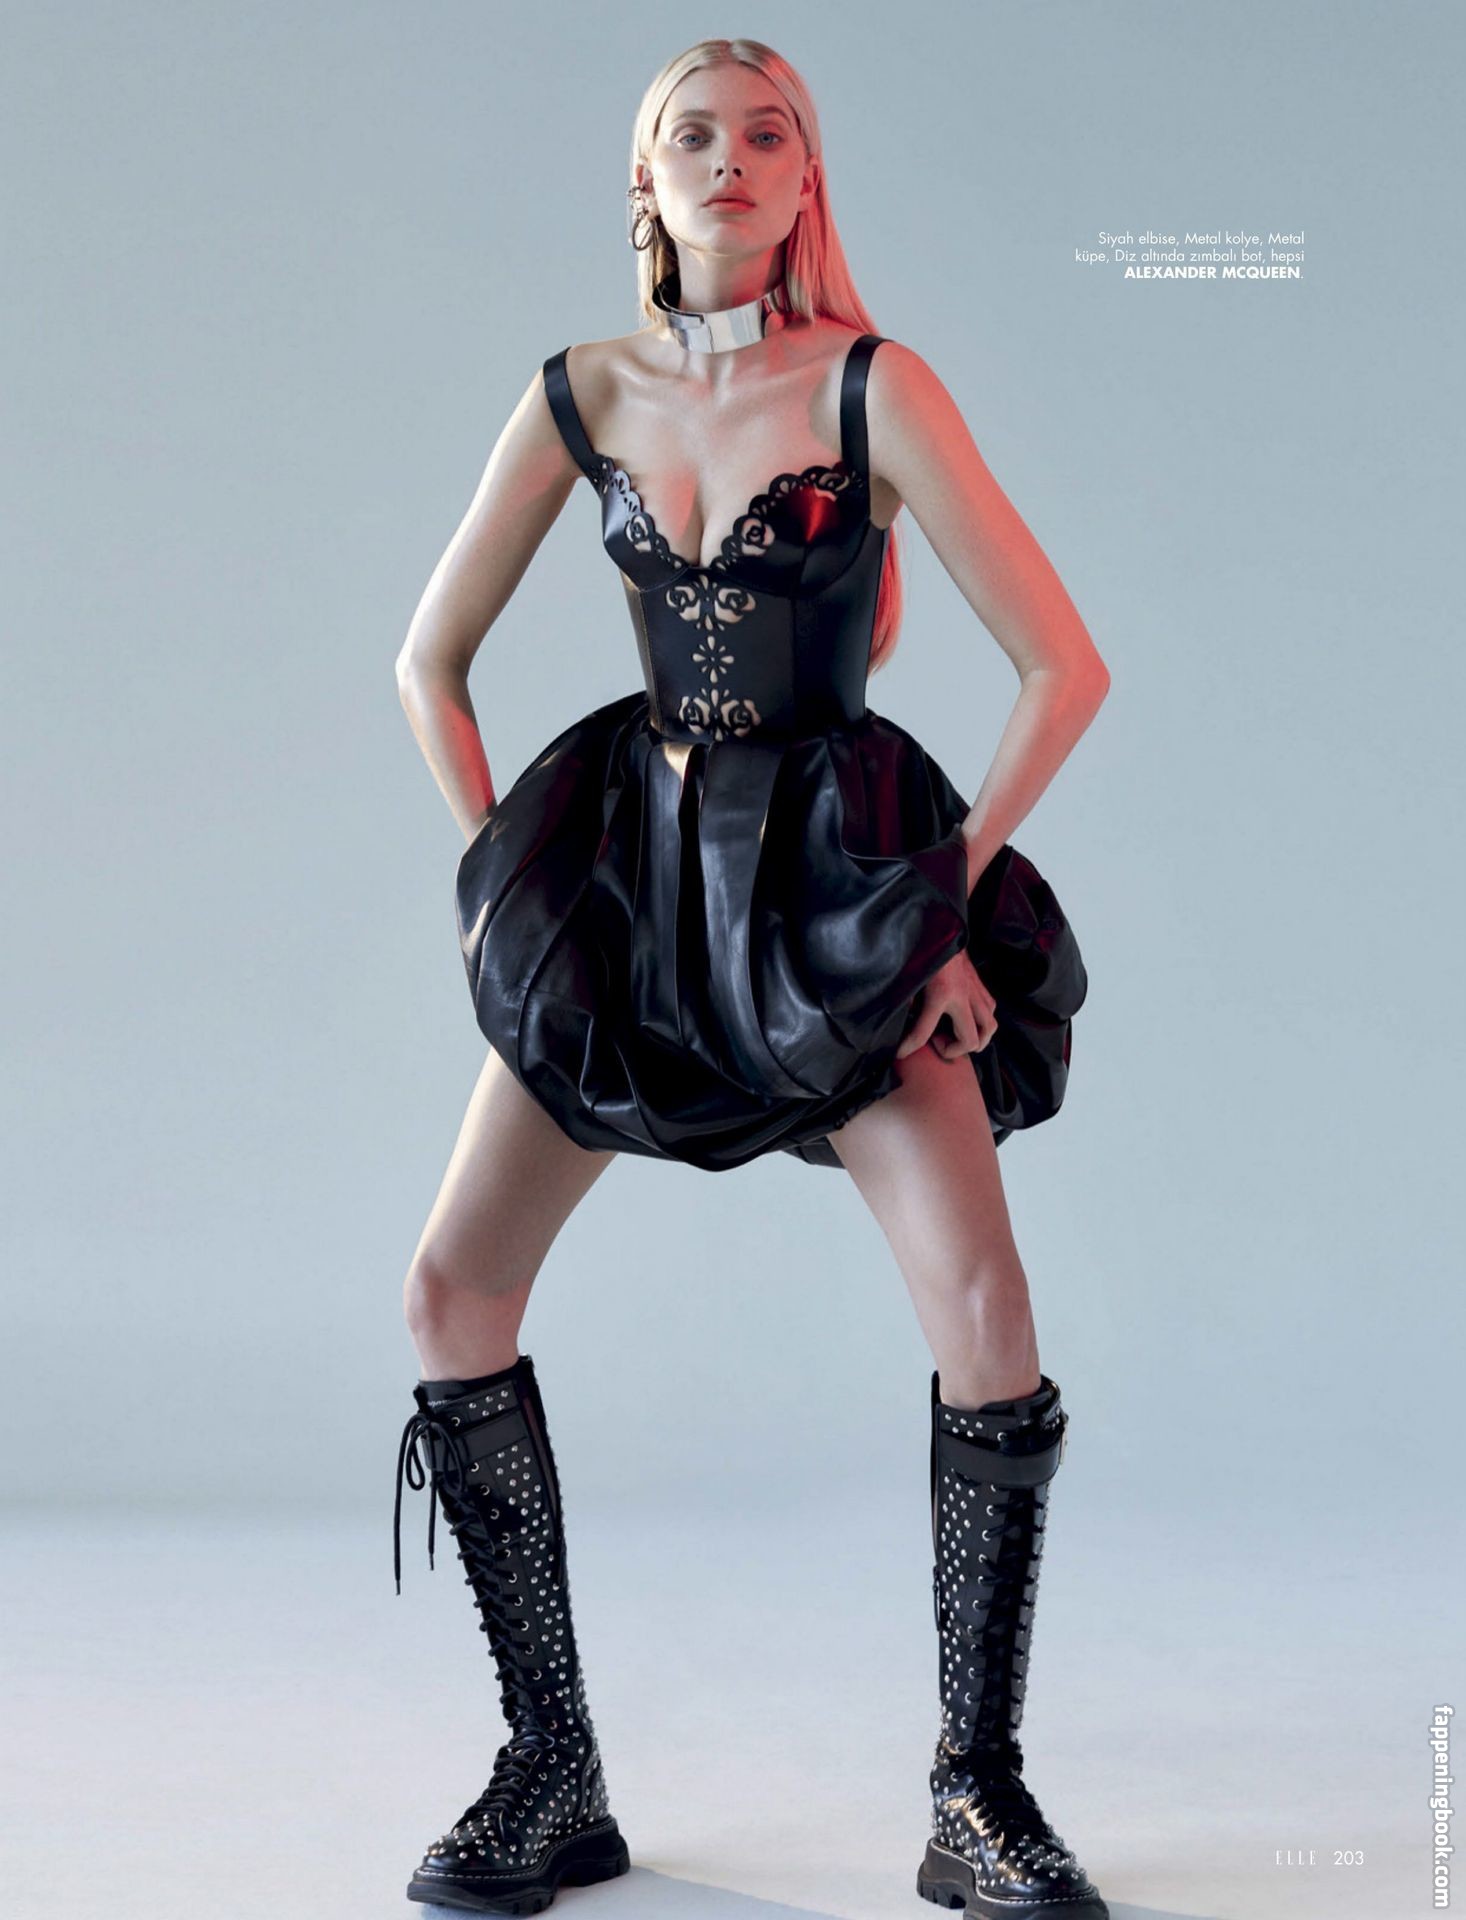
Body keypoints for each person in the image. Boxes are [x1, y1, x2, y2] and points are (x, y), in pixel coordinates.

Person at [390, 35, 1111, 1920]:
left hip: (837, 886)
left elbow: (1062, 668)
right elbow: (426, 663)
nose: (728, 158)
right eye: (690, 134)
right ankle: (549, 1773)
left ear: (805, 182)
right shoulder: (577, 392)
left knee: (983, 1307)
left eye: (764, 133)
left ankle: (976, 1795)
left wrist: (940, 903)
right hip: (633, 881)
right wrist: (505, 892)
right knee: (451, 1291)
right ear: (643, 182)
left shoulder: (873, 388)